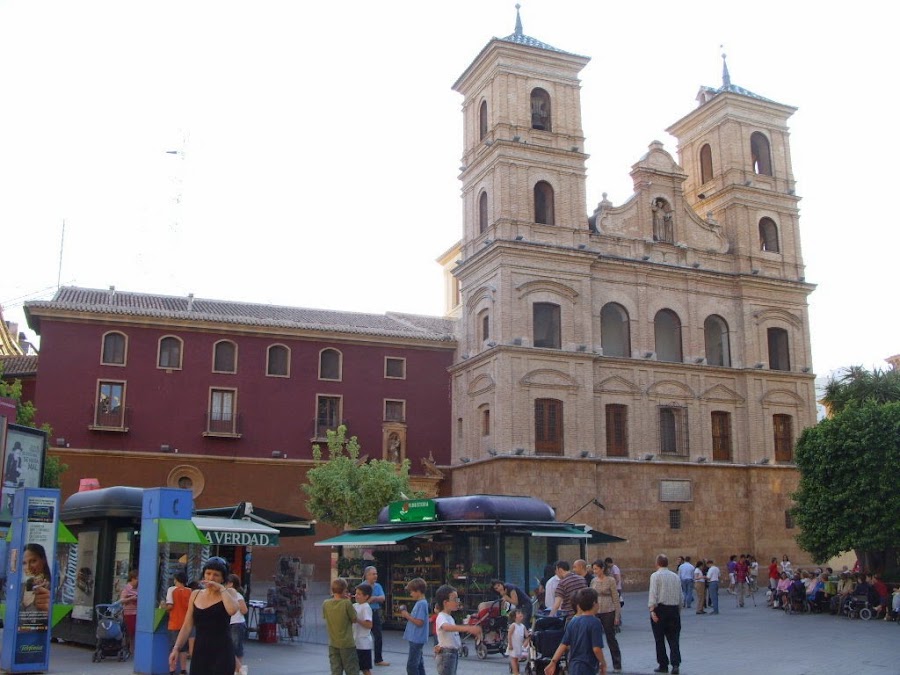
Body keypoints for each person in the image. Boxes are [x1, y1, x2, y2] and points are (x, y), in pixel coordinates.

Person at [169, 557, 239, 675]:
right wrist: (176, 648)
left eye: (216, 575)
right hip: (200, 651)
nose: (211, 578)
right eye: (208, 573)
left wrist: (221, 589)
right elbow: (187, 625)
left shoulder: (229, 593)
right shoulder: (195, 594)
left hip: (222, 651)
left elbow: (232, 610)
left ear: (223, 578)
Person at [544, 587, 607, 675]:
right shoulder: (595, 623)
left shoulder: (573, 621)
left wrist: (553, 662)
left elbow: (563, 644)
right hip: (587, 667)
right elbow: (596, 648)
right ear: (594, 603)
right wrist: (603, 663)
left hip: (573, 666)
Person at [434, 584, 481, 675]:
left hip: (451, 653)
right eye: (455, 599)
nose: (458, 602)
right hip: (446, 655)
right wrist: (467, 628)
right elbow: (446, 627)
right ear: (445, 603)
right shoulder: (442, 616)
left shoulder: (449, 617)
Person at [648, 554, 683, 675]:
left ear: (657, 563)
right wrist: (678, 610)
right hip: (673, 609)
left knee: (659, 639)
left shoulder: (655, 576)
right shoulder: (675, 576)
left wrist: (652, 610)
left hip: (660, 609)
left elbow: (653, 594)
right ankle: (675, 664)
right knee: (674, 638)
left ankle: (663, 664)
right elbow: (680, 596)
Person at [322, 577, 359, 675]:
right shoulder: (346, 603)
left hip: (333, 642)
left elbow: (325, 617)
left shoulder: (326, 603)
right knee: (351, 669)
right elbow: (354, 619)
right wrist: (349, 601)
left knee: (335, 669)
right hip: (347, 643)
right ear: (344, 590)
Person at [591, 560, 622, 673]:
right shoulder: (593, 581)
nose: (595, 571)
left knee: (610, 638)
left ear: (602, 569)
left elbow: (615, 597)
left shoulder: (610, 580)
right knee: (594, 639)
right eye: (593, 569)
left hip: (608, 610)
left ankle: (617, 664)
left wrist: (617, 615)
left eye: (596, 569)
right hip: (596, 612)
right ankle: (596, 664)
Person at [399, 577, 429, 675]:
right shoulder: (421, 603)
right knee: (419, 664)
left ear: (418, 591)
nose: (411, 594)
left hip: (417, 638)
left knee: (412, 666)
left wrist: (407, 615)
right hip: (416, 638)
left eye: (412, 591)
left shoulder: (421, 604)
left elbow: (420, 622)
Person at [165, 571, 192, 675]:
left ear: (176, 579)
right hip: (185, 624)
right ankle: (183, 669)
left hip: (174, 622)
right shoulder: (190, 591)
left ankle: (172, 669)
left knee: (173, 647)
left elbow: (170, 606)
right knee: (184, 648)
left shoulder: (171, 590)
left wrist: (164, 606)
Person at [364, 566, 390, 667]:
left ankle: (378, 659)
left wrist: (373, 598)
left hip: (374, 612)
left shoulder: (378, 586)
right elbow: (361, 600)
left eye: (376, 574)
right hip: (365, 612)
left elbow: (382, 598)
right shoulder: (362, 587)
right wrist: (372, 599)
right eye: (373, 574)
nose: (375, 576)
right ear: (367, 575)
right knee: (363, 635)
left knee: (378, 635)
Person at [225, 574, 249, 675]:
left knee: (233, 648)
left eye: (226, 583)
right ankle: (237, 669)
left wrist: (235, 607)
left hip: (237, 623)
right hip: (232, 623)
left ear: (231, 584)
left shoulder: (237, 596)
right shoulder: (226, 595)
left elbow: (244, 610)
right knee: (235, 648)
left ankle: (239, 668)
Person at [353, 583, 374, 675]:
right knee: (355, 667)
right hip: (355, 641)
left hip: (363, 643)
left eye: (359, 594)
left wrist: (357, 620)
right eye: (356, 593)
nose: (356, 596)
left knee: (365, 669)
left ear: (366, 596)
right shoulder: (355, 605)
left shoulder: (366, 607)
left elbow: (369, 624)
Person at [120, 569, 139, 654]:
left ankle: (133, 648)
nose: (138, 581)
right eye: (137, 579)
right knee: (130, 632)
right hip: (129, 612)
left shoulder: (139, 588)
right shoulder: (127, 588)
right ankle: (130, 648)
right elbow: (122, 600)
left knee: (135, 632)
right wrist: (131, 598)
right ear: (133, 579)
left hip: (137, 612)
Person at [506, 608, 529, 675]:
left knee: (516, 659)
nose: (521, 614)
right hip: (513, 645)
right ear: (514, 617)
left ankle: (516, 671)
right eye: (519, 613)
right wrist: (510, 644)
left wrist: (529, 635)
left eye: (521, 613)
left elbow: (526, 634)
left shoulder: (522, 626)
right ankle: (515, 672)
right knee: (513, 659)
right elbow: (509, 635)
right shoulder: (513, 625)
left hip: (518, 646)